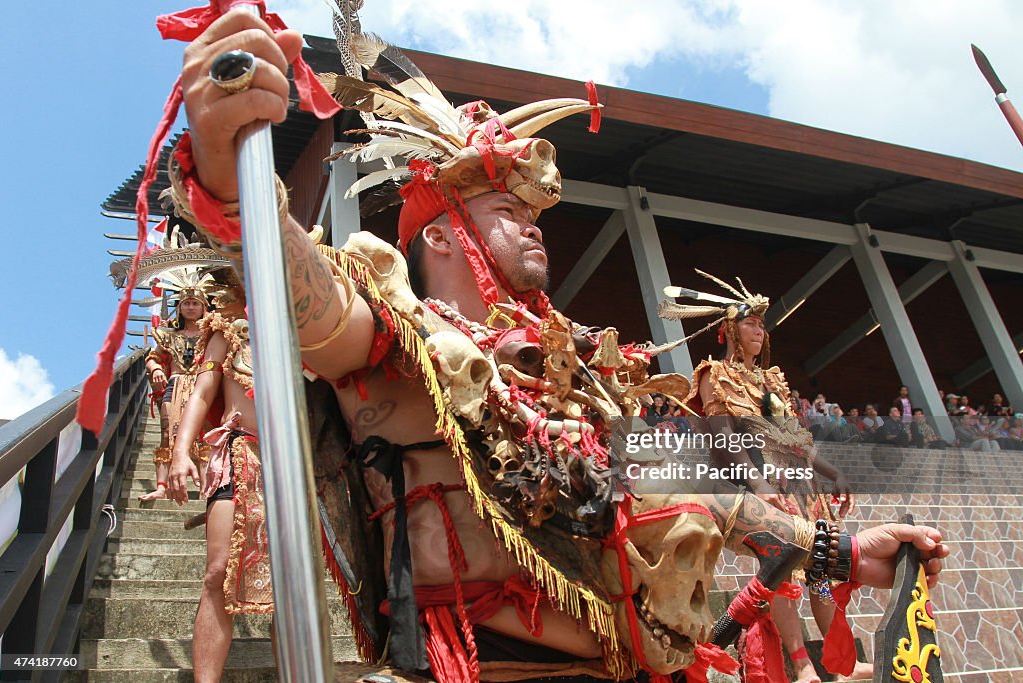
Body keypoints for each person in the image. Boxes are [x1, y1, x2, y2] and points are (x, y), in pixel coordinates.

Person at [167, 10, 949, 681]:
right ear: (440, 235)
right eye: (506, 209)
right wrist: (228, 186)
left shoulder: (579, 369)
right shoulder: (397, 342)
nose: (533, 223)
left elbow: (702, 490)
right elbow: (309, 301)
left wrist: (839, 550)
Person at [666, 280, 871, 682]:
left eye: (763, 325)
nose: (760, 331)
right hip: (766, 483)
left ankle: (839, 658)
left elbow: (798, 439)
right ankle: (802, 662)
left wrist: (834, 474)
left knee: (822, 572)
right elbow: (723, 438)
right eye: (752, 324)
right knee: (785, 570)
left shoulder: (772, 382)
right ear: (729, 330)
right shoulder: (714, 374)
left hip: (803, 486)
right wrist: (758, 484)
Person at [166, 286, 271, 682]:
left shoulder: (303, 317)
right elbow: (202, 392)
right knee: (217, 571)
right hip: (242, 451)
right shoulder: (224, 327)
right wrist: (180, 452)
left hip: (297, 461)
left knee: (297, 579)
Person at [139, 277, 212, 502]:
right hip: (176, 384)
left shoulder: (212, 334)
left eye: (195, 303)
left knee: (205, 436)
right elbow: (153, 358)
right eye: (186, 303)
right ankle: (162, 487)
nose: (191, 307)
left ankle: (205, 489)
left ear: (203, 307)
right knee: (166, 434)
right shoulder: (168, 336)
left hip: (204, 386)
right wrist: (155, 370)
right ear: (179, 308)